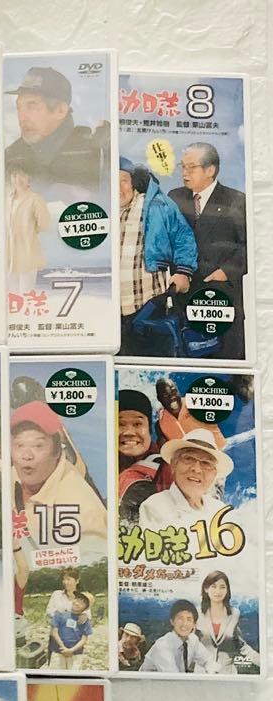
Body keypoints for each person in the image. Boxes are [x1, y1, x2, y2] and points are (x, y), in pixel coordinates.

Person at [167, 142, 248, 360]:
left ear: (210, 170)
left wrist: (226, 271)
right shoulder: (174, 198)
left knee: (224, 358)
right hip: (183, 294)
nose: (184, 173)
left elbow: (251, 246)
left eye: (191, 167)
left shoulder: (236, 201)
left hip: (221, 295)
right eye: (182, 166)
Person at [118, 158, 197, 355]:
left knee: (151, 363)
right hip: (109, 313)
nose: (118, 188)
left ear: (134, 182)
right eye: (112, 181)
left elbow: (183, 236)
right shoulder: (101, 211)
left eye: (123, 181)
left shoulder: (156, 204)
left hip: (149, 305)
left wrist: (183, 272)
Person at [11, 401, 108, 542]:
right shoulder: (11, 475)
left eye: (38, 445)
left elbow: (96, 552)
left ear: (57, 451)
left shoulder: (81, 505)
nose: (27, 455)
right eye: (20, 445)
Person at [3, 66, 106, 189]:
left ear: (60, 110)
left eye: (31, 106)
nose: (22, 117)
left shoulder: (96, 153)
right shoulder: (12, 156)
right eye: (19, 107)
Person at [137, 429, 232, 537]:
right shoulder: (155, 506)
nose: (196, 469)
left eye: (206, 463)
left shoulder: (220, 510)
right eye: (189, 459)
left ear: (214, 474)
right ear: (173, 464)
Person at [117, 387, 172, 523]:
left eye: (137, 424)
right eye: (120, 424)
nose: (129, 432)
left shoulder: (168, 464)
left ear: (149, 430)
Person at [195, 570, 259, 674]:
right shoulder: (196, 613)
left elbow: (240, 645)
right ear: (206, 589)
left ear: (227, 590)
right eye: (213, 586)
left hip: (227, 673)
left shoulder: (234, 614)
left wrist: (265, 663)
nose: (218, 591)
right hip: (201, 673)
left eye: (222, 587)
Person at [6, 164, 50, 295]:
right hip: (9, 254)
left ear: (29, 178)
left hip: (28, 251)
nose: (18, 179)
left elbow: (45, 224)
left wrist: (30, 231)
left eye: (23, 175)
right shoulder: (8, 199)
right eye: (15, 175)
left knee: (26, 294)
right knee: (11, 295)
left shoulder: (35, 199)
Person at [141, 598, 217, 674]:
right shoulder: (162, 645)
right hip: (146, 681)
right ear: (172, 621)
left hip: (174, 680)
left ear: (194, 624)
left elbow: (209, 660)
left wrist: (210, 672)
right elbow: (172, 676)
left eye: (189, 619)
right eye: (180, 618)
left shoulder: (192, 640)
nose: (184, 623)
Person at [48, 591, 93, 670]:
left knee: (74, 675)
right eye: (77, 600)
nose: (77, 603)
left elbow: (84, 639)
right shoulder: (60, 614)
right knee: (56, 674)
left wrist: (71, 650)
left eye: (82, 603)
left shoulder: (84, 620)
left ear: (85, 608)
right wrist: (63, 647)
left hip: (76, 653)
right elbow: (54, 632)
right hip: (58, 651)